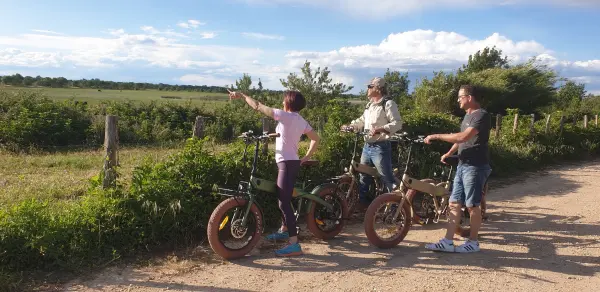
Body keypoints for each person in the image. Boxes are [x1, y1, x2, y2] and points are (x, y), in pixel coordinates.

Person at [227, 89, 320, 257]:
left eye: (284, 100)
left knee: (284, 203)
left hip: (286, 163)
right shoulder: (299, 120)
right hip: (290, 162)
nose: (282, 102)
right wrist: (305, 156)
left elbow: (257, 106)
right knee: (281, 198)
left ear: (288, 103)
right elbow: (315, 138)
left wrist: (242, 95)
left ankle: (294, 244)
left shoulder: (284, 116)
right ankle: (285, 230)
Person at [423, 84, 492, 253]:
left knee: (472, 205)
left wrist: (437, 136)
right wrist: (448, 153)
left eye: (460, 97)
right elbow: (460, 141)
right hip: (463, 165)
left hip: (475, 166)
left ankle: (473, 242)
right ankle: (447, 241)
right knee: (454, 203)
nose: (458, 100)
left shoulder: (481, 116)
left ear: (469, 98)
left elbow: (464, 136)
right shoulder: (467, 117)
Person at [341, 77, 402, 212]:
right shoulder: (370, 105)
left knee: (386, 177)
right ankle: (364, 205)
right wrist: (351, 126)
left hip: (380, 146)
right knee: (363, 175)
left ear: (377, 88)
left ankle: (395, 208)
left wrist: (381, 129)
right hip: (367, 146)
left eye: (369, 86)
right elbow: (362, 120)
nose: (367, 89)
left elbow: (397, 123)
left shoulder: (388, 104)